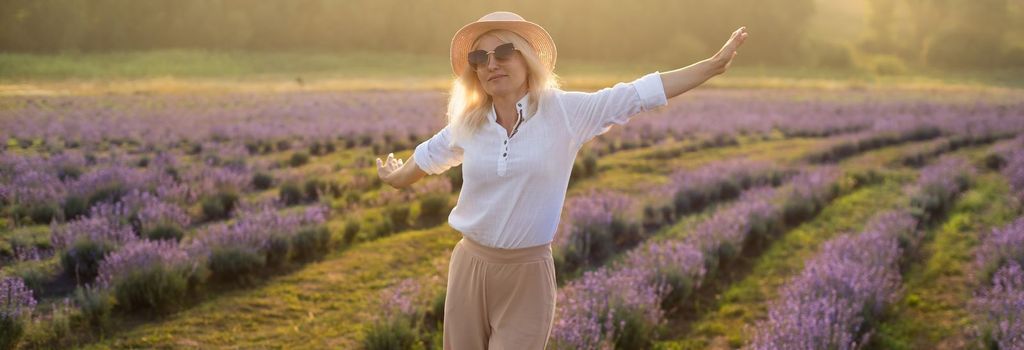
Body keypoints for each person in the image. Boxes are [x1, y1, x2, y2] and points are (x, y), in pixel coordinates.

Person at [376, 11, 748, 349]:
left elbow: (637, 94)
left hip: (527, 274)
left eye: (503, 52)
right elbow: (426, 158)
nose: (492, 65)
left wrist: (711, 66)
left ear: (525, 57)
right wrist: (394, 177)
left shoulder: (565, 112)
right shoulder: (469, 123)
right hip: (469, 266)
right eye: (479, 58)